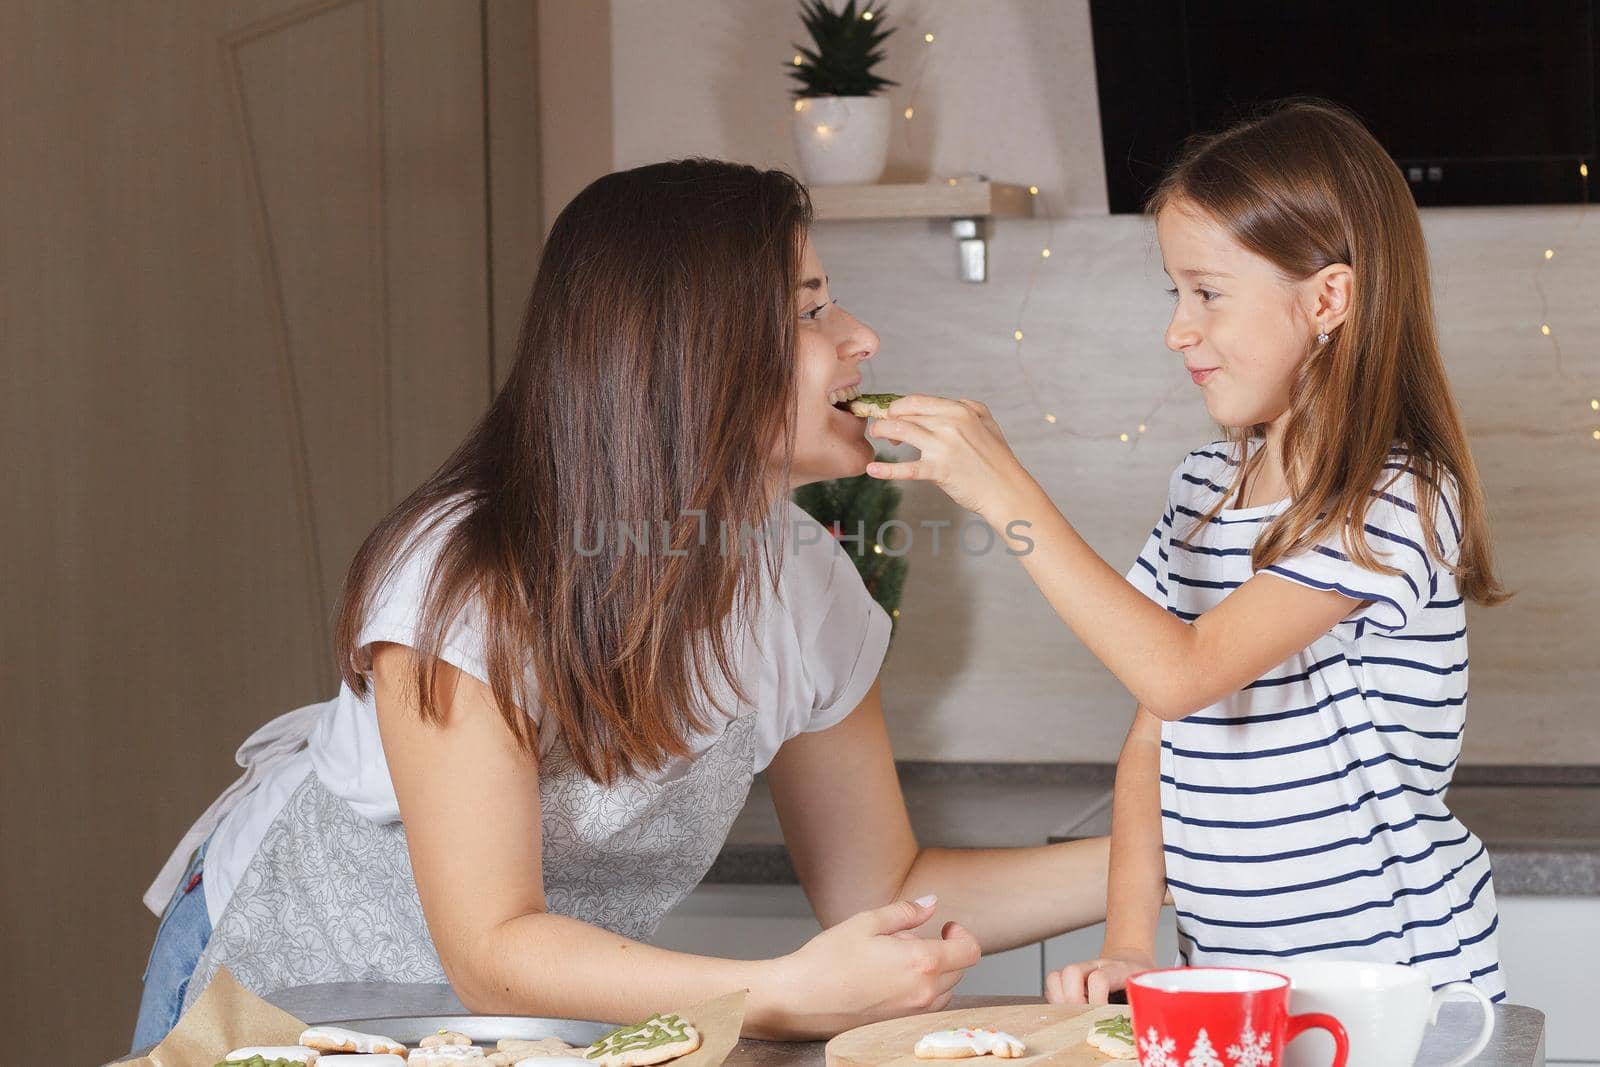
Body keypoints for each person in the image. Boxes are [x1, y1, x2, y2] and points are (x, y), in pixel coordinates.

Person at [134, 158, 1110, 1050]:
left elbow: (887, 889)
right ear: (691, 355)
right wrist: (776, 989)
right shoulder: (467, 579)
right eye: (810, 311)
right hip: (289, 991)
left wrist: (1182, 840)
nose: (861, 339)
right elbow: (493, 947)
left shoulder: (806, 582)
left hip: (509, 1025)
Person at [863, 100, 1508, 1003]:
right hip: (1233, 990)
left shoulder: (1391, 499)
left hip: (1398, 991)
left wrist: (1003, 489)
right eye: (1175, 292)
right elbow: (1150, 735)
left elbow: (1184, 672)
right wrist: (1130, 941)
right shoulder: (1203, 489)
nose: (1178, 328)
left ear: (1328, 298)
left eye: (1207, 292)